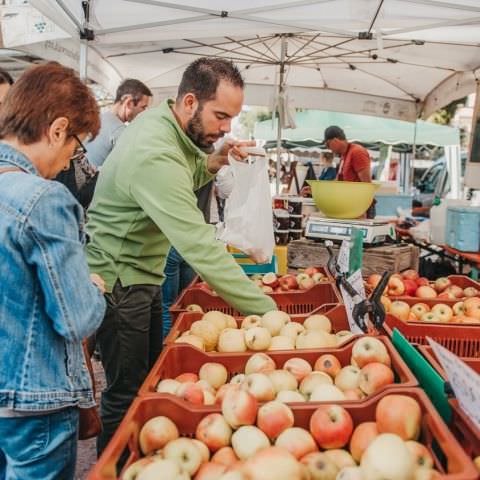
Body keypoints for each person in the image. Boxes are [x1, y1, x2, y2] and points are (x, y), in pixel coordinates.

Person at [86, 57, 277, 454]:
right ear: (190, 102)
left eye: (232, 119)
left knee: (148, 384)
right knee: (125, 394)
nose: (226, 128)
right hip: (121, 281)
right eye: (221, 116)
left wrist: (218, 157)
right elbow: (198, 245)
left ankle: (146, 458)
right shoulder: (154, 150)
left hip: (144, 275)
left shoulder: (164, 123)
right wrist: (268, 311)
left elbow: (187, 169)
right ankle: (114, 463)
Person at [0, 63, 106, 480]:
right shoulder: (44, 198)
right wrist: (92, 287)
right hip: (34, 402)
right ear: (58, 129)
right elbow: (76, 317)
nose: (69, 162)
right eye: (76, 147)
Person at [85, 78, 153, 167]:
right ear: (129, 103)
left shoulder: (99, 118)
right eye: (143, 107)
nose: (144, 112)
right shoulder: (120, 132)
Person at [323, 125, 375, 217]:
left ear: (335, 140)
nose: (328, 148)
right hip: (350, 209)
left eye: (328, 144)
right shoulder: (345, 155)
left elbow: (367, 185)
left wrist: (363, 213)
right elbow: (339, 183)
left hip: (359, 210)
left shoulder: (357, 152)